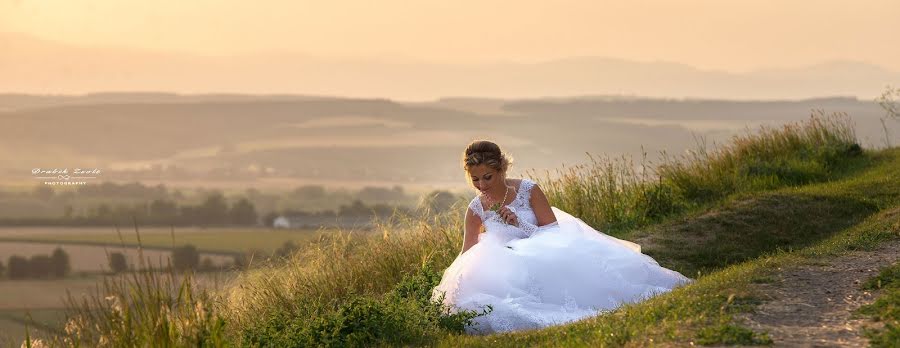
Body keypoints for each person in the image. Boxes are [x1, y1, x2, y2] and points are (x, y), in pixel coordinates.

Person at [431, 140, 693, 334]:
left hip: (543, 249)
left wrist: (519, 223)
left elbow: (552, 232)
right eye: (475, 179)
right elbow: (468, 249)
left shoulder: (528, 190)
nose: (482, 185)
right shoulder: (475, 209)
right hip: (503, 262)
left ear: (501, 169)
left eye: (487, 177)